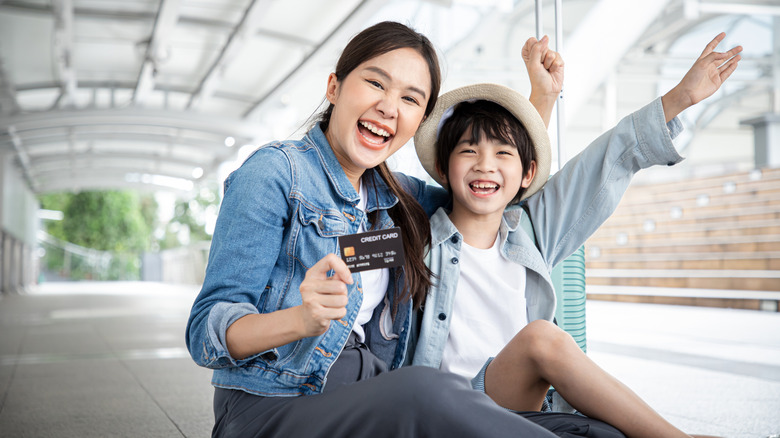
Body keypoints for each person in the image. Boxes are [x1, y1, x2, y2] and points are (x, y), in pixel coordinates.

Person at [186, 20, 576, 438]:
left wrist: (541, 100)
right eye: (376, 83)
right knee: (425, 388)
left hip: (365, 390)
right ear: (334, 87)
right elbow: (206, 330)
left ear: (418, 121)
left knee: (580, 427)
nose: (390, 107)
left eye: (410, 98)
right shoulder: (277, 174)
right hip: (273, 404)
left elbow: (488, 190)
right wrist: (300, 320)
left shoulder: (398, 201)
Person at [407, 33, 741, 438]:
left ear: (528, 174)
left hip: (520, 410)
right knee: (541, 339)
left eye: (502, 154)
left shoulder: (530, 234)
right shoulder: (416, 235)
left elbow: (606, 160)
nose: (485, 165)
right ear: (443, 169)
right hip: (450, 414)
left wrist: (680, 97)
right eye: (468, 151)